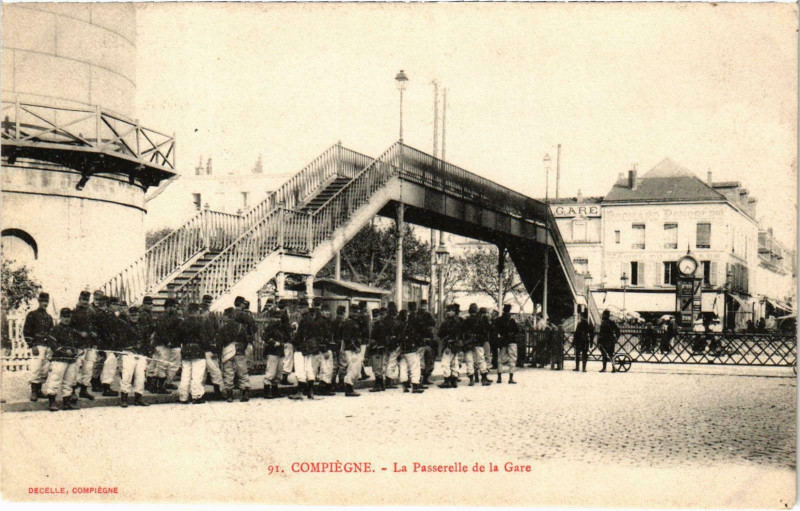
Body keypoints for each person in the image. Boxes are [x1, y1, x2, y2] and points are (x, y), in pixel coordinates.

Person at [42, 308, 81, 411]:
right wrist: (63, 351)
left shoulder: (73, 330)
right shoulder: (55, 329)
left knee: (69, 381)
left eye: (68, 317)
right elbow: (52, 343)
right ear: (60, 317)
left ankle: (67, 403)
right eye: (64, 317)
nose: (66, 319)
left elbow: (78, 343)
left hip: (71, 360)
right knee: (55, 380)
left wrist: (77, 350)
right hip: (59, 360)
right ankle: (52, 402)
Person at [118, 306, 152, 407]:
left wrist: (148, 353)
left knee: (140, 376)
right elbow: (121, 341)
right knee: (127, 376)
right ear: (128, 315)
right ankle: (124, 399)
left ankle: (138, 398)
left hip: (141, 354)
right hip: (129, 354)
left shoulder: (143, 326)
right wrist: (130, 347)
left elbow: (146, 341)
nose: (134, 317)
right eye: (132, 315)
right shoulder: (124, 326)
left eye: (136, 315)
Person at [23, 291, 54, 402]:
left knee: (44, 370)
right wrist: (32, 345)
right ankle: (34, 391)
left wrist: (51, 346)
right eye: (42, 301)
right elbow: (27, 331)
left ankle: (39, 390)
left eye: (46, 301)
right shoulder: (32, 315)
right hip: (37, 345)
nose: (44, 303)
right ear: (39, 301)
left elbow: (52, 333)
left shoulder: (49, 317)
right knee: (35, 368)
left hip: (47, 346)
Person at [178, 303, 211, 404]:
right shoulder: (199, 323)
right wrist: (206, 348)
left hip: (186, 350)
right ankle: (197, 396)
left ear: (188, 311)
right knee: (197, 375)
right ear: (197, 311)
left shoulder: (182, 323)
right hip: (197, 351)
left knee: (185, 375)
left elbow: (177, 337)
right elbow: (204, 339)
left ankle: (183, 396)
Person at [218, 307, 251, 402]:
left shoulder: (223, 328)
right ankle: (245, 393)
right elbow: (245, 341)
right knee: (242, 372)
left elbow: (220, 343)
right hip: (239, 351)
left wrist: (220, 353)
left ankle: (229, 395)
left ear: (227, 316)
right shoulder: (241, 327)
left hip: (227, 353)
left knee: (228, 373)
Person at [152, 298, 182, 394]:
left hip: (171, 344)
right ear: (168, 307)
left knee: (171, 364)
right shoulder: (163, 317)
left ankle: (167, 383)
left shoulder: (174, 317)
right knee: (162, 364)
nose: (175, 308)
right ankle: (158, 386)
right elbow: (161, 331)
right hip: (163, 344)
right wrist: (167, 341)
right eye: (173, 306)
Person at [71, 290, 97, 401]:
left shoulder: (91, 312)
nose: (85, 302)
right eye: (83, 299)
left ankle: (84, 390)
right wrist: (79, 333)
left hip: (89, 344)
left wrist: (94, 333)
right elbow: (69, 328)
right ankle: (72, 391)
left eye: (87, 300)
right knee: (75, 368)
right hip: (78, 344)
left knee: (88, 368)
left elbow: (95, 326)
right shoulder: (74, 312)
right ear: (79, 299)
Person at [291, 304, 319, 400]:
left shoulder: (303, 321)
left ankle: (299, 392)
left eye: (300, 307)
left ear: (305, 308)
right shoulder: (312, 320)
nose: (299, 310)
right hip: (310, 347)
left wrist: (293, 338)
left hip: (301, 347)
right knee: (309, 368)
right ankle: (310, 391)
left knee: (300, 369)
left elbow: (299, 336)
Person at [200, 294, 224, 400]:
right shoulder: (209, 315)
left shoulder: (198, 314)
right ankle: (217, 392)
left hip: (201, 348)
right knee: (215, 371)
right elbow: (216, 331)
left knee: (202, 373)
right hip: (207, 347)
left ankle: (200, 394)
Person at [335, 305, 362, 397]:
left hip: (350, 348)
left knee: (353, 368)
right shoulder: (349, 323)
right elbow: (347, 338)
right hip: (350, 349)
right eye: (354, 311)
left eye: (357, 312)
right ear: (350, 312)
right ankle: (349, 389)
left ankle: (349, 388)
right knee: (352, 368)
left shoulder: (350, 322)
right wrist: (355, 347)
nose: (355, 314)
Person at [261, 308, 288, 399]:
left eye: (279, 318)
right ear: (272, 318)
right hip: (272, 351)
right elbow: (264, 336)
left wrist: (283, 342)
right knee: (270, 372)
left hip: (280, 351)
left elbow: (286, 337)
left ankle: (275, 391)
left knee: (279, 372)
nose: (277, 320)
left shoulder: (282, 327)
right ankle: (266, 392)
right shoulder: (270, 327)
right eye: (275, 318)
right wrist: (273, 342)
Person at [463, 303, 492, 386]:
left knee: (469, 360)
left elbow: (463, 332)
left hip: (468, 342)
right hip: (478, 342)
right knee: (481, 359)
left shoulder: (466, 320)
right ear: (476, 310)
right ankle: (483, 379)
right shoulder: (480, 320)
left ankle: (471, 379)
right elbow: (484, 331)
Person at [395, 310, 424, 393]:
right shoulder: (411, 327)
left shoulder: (398, 325)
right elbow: (416, 337)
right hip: (411, 348)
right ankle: (415, 386)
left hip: (401, 349)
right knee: (415, 366)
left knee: (403, 366)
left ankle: (404, 385)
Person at [438, 303, 463, 388]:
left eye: (450, 311)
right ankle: (454, 379)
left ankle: (447, 380)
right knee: (454, 362)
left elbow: (440, 333)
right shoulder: (459, 321)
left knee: (445, 362)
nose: (448, 312)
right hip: (456, 345)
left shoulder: (447, 322)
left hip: (449, 344)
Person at [413, 300, 437, 386]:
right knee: (421, 361)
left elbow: (432, 325)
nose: (424, 307)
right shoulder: (417, 315)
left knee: (428, 361)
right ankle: (421, 379)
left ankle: (425, 378)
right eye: (423, 305)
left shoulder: (428, 315)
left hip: (428, 342)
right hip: (421, 341)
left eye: (425, 305)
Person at [495, 304, 519, 383]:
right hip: (511, 340)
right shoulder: (512, 320)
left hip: (503, 340)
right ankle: (510, 378)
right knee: (512, 359)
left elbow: (496, 329)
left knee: (500, 359)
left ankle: (499, 378)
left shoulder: (498, 320)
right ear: (509, 310)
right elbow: (517, 330)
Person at [367, 308, 388, 392]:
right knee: (377, 367)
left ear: (380, 316)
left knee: (377, 368)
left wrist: (378, 346)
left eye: (377, 316)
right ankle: (381, 385)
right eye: (374, 316)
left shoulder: (379, 326)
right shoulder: (376, 325)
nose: (375, 318)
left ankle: (378, 385)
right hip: (375, 348)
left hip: (377, 349)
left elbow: (382, 339)